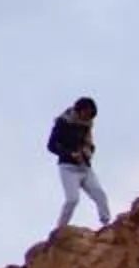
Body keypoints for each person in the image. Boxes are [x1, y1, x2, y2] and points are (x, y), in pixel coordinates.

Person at [47, 96, 110, 230]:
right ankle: (59, 230)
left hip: (84, 168)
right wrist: (69, 153)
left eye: (91, 115)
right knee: (72, 199)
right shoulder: (63, 122)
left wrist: (88, 151)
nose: (88, 118)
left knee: (99, 193)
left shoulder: (87, 125)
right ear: (79, 110)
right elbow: (51, 145)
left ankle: (106, 223)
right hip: (68, 168)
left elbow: (90, 144)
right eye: (87, 113)